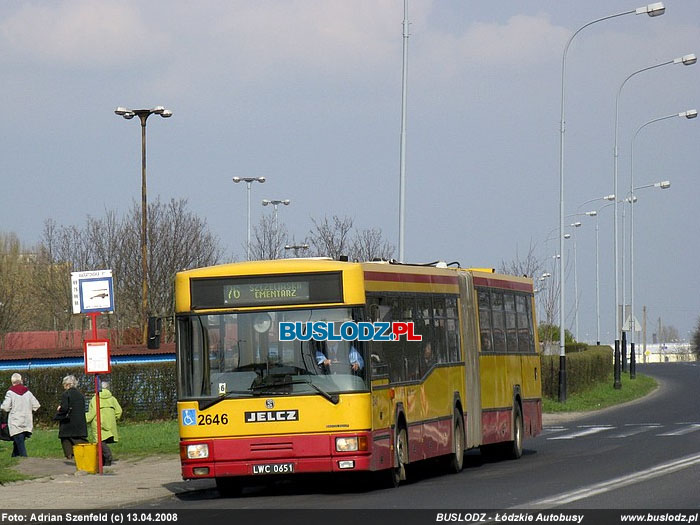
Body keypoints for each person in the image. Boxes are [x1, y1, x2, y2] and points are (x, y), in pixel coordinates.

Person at [0, 373, 40, 457]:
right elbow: (36, 405)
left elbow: (5, 407)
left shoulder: (10, 393)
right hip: (26, 420)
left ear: (12, 382)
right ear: (21, 380)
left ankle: (25, 459)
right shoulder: (28, 392)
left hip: (15, 421)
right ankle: (14, 457)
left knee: (19, 441)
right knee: (18, 441)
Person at [86, 380, 122, 466]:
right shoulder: (112, 399)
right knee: (104, 441)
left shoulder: (95, 398)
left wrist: (84, 419)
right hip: (110, 422)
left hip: (98, 422)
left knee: (99, 441)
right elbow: (119, 411)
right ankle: (104, 461)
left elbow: (92, 413)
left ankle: (107, 457)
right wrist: (114, 418)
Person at [55, 375, 88, 459]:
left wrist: (59, 409)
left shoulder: (66, 394)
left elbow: (65, 408)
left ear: (67, 385)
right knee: (79, 440)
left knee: (65, 439)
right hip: (79, 422)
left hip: (68, 423)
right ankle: (82, 456)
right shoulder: (80, 395)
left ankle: (70, 456)